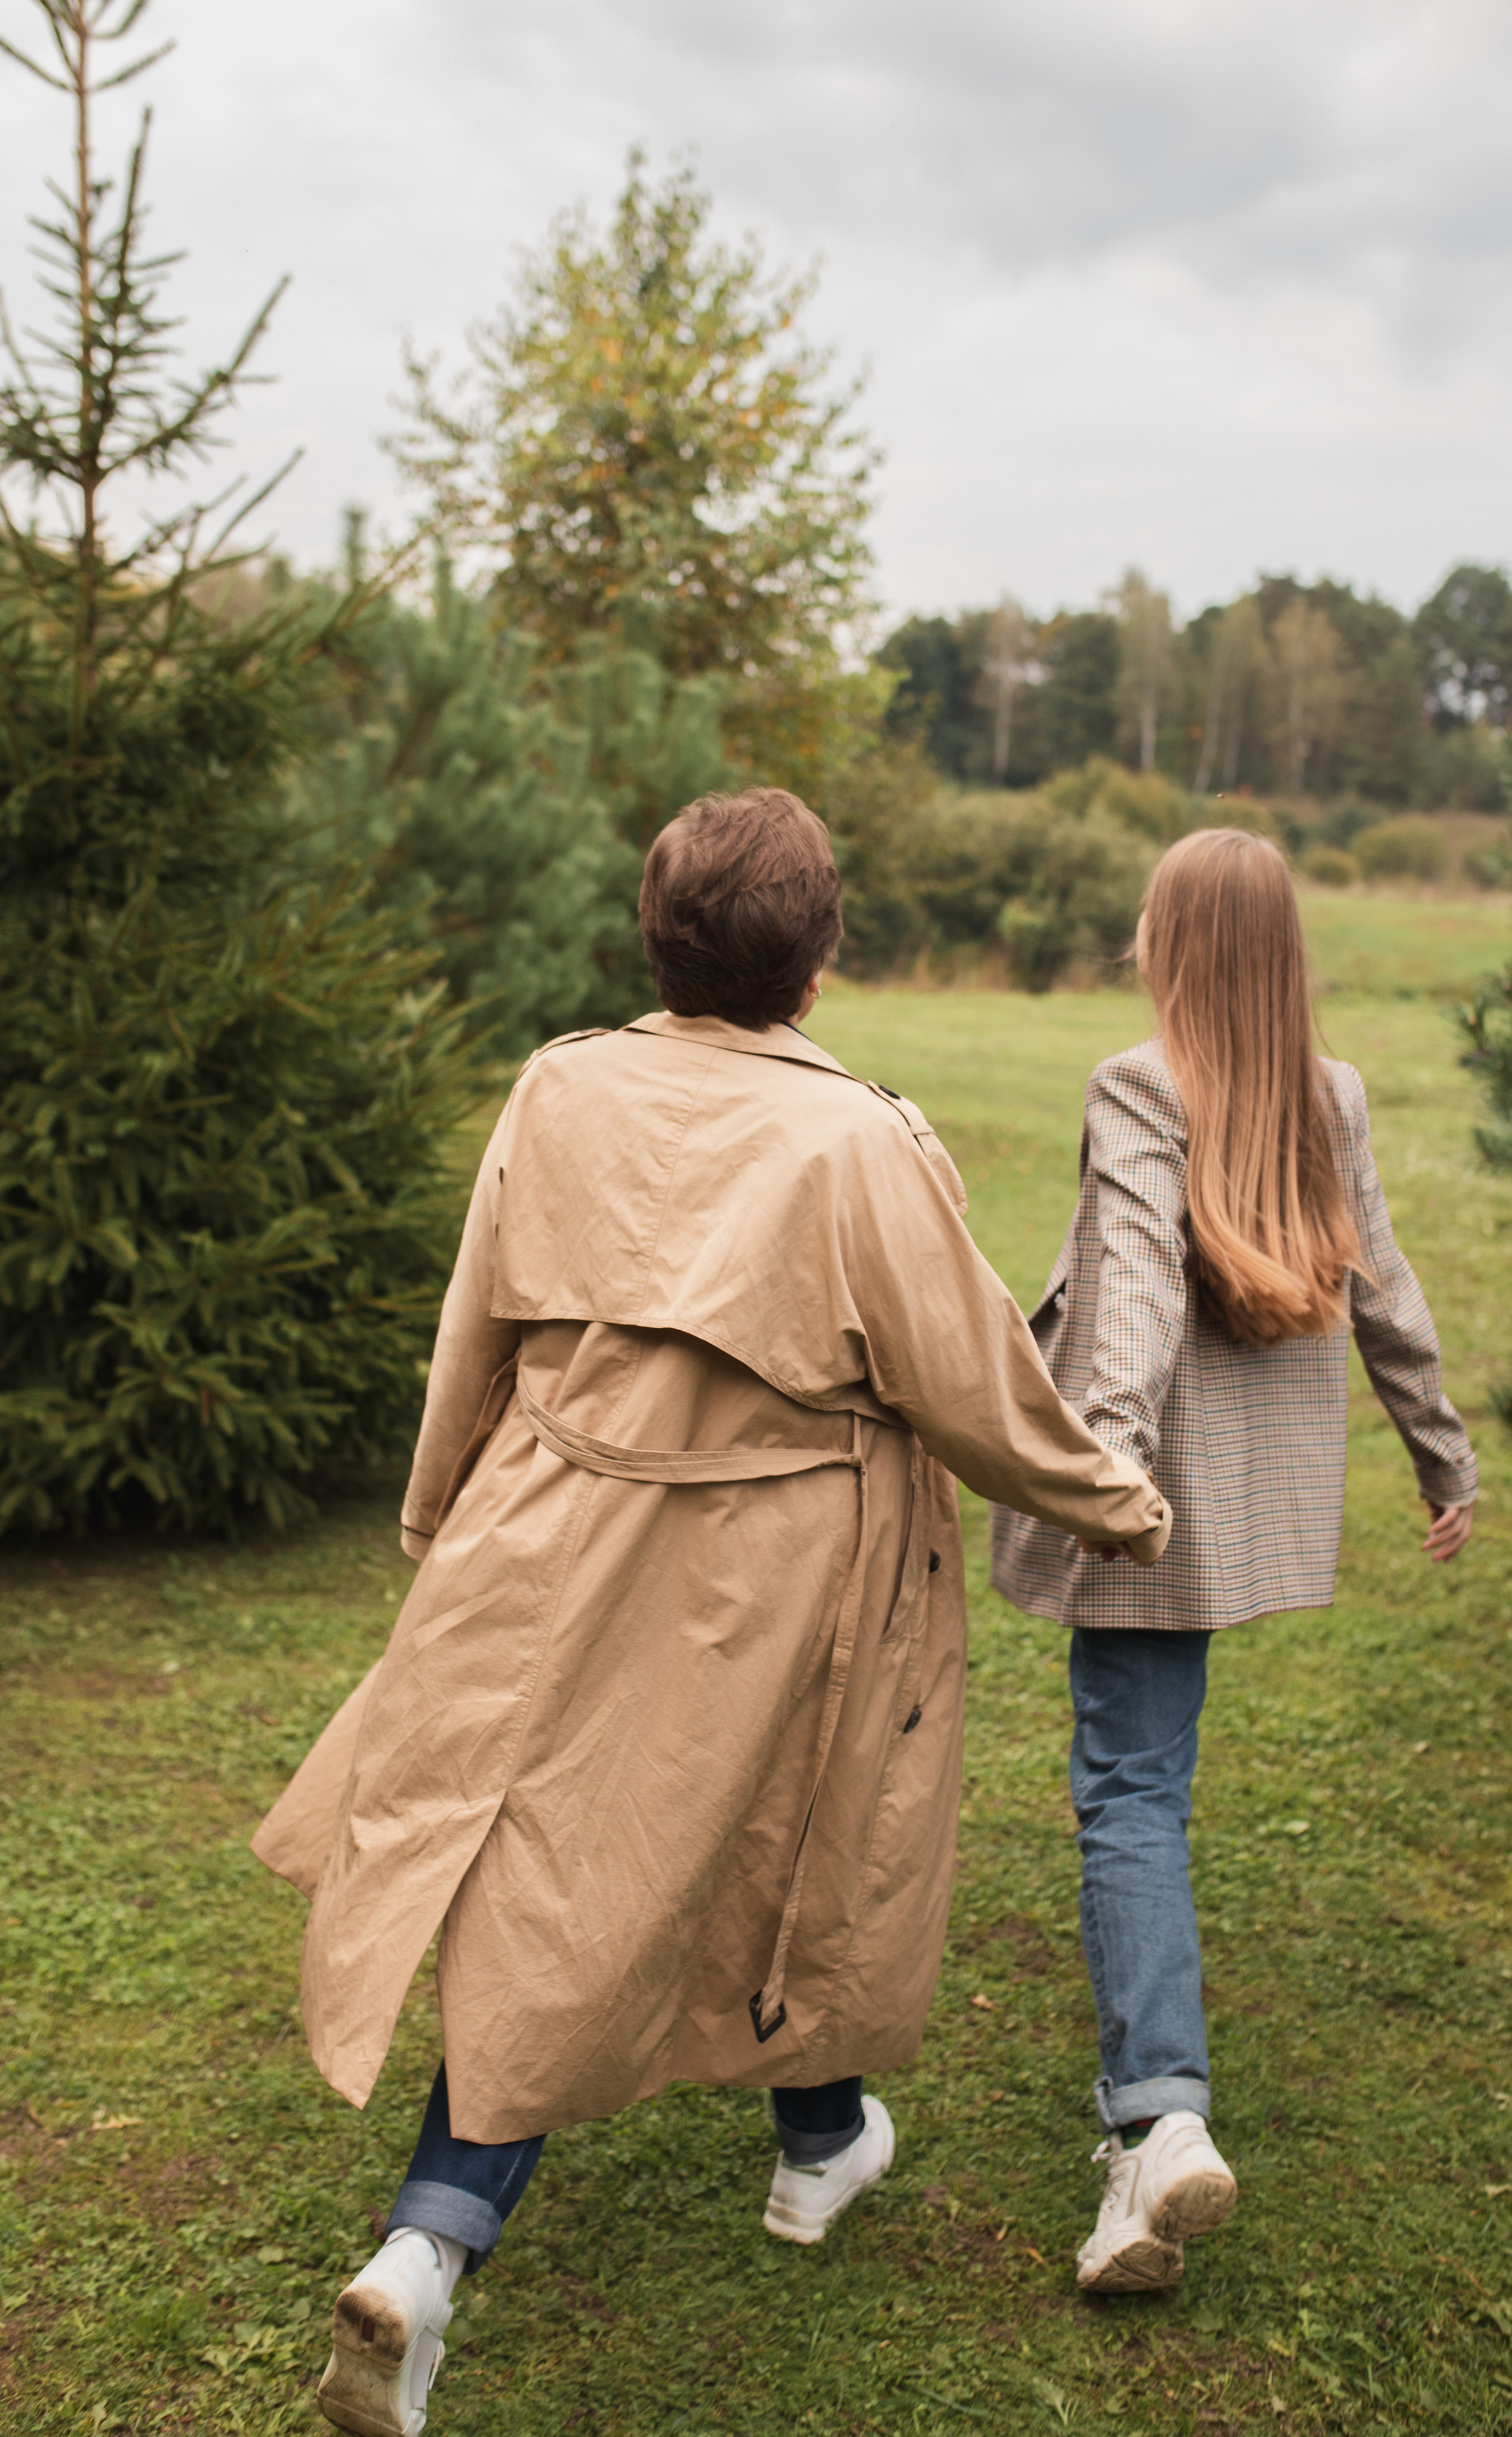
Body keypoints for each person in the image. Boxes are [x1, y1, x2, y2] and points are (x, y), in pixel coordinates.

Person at [255, 788, 1171, 2437]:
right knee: (698, 1868)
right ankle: (426, 2249)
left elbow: (475, 1325)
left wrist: (432, 1516)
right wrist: (1121, 1503)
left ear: (656, 937)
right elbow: (977, 1389)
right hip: (760, 1593)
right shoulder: (856, 1141)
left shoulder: (563, 1084)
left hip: (540, 1543)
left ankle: (814, 2142)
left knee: (598, 1866)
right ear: (817, 958)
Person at [990, 826, 1477, 2296]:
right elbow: (1383, 1291)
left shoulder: (1140, 1082)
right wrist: (1439, 1453)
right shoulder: (1325, 1089)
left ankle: (1157, 2120)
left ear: (1176, 944)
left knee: (1128, 1793)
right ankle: (1156, 2121)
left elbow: (1131, 1289)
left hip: (1156, 1504)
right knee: (1152, 1780)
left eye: (1149, 913)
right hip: (1233, 1503)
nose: (1136, 930)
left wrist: (1110, 1464)